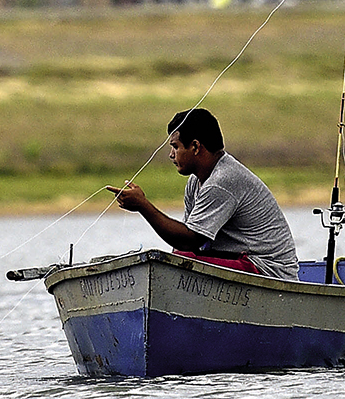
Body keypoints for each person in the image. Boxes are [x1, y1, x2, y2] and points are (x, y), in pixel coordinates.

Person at [105, 108, 299, 279]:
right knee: (177, 258)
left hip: (268, 271)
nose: (171, 155)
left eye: (175, 147)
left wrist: (143, 206)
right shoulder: (196, 181)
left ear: (196, 147)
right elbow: (185, 244)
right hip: (241, 260)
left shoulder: (222, 180)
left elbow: (190, 240)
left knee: (178, 262)